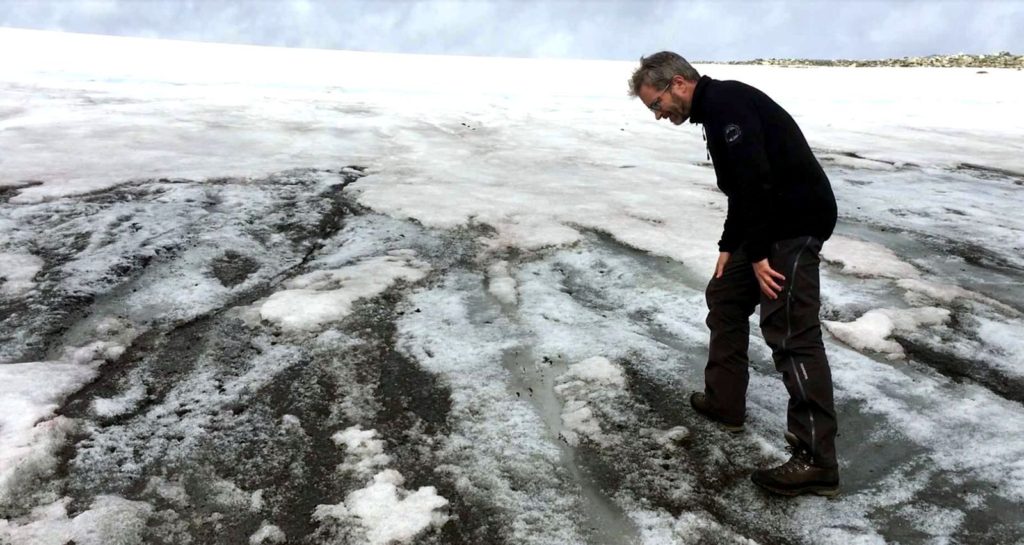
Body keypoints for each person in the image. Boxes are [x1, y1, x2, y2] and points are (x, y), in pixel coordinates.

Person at [629, 51, 840, 496]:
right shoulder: (715, 111)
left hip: (795, 222)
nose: (657, 115)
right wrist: (731, 245)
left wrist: (759, 253)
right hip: (768, 223)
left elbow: (757, 179)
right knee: (724, 296)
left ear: (679, 84)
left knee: (790, 332)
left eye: (656, 104)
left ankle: (816, 459)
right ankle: (725, 403)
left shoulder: (727, 104)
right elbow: (741, 189)